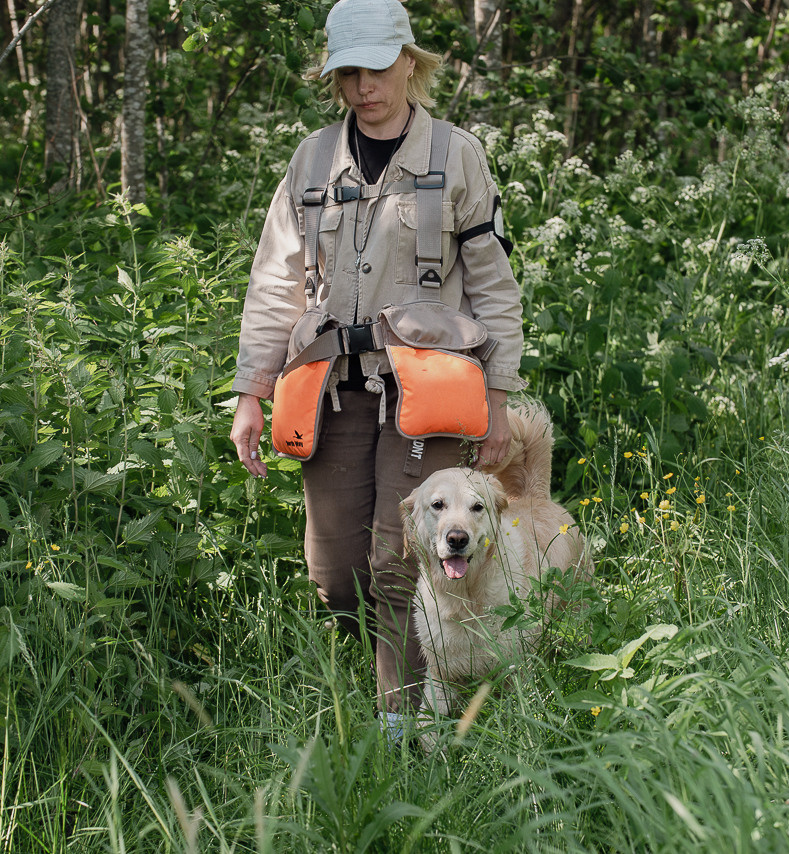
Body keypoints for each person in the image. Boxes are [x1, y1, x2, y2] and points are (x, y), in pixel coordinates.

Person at [228, 0, 525, 736]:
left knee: (402, 564)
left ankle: (411, 727)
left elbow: (492, 285)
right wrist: (250, 392)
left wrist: (500, 390)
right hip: (332, 392)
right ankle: (408, 678)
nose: (365, 86)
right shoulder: (312, 160)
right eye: (350, 72)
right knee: (336, 579)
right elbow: (274, 280)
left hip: (427, 399)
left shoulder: (456, 155)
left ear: (409, 62)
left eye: (378, 67)